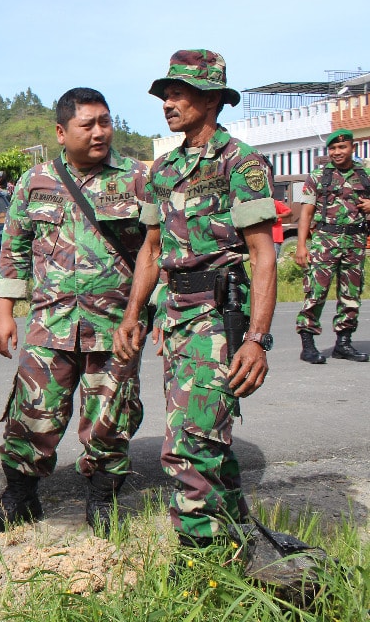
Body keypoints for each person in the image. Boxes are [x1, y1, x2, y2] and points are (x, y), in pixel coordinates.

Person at [113, 50, 277, 549]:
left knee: (189, 442)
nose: (167, 101)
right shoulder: (162, 169)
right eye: (165, 93)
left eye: (178, 92)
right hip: (178, 316)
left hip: (218, 313)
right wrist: (134, 313)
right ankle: (236, 535)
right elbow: (152, 248)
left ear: (210, 99)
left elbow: (262, 255)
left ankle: (197, 554)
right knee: (204, 435)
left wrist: (256, 338)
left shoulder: (240, 162)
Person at [0, 88, 148, 537]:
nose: (99, 132)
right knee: (33, 412)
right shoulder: (34, 182)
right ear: (61, 131)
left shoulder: (136, 179)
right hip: (49, 323)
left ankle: (102, 499)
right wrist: (3, 312)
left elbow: (157, 252)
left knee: (111, 416)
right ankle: (19, 498)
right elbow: (12, 248)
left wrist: (159, 315)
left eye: (105, 122)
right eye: (87, 124)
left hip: (115, 324)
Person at [293, 128, 370, 364]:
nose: (337, 152)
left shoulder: (365, 173)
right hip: (325, 241)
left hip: (355, 243)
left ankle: (343, 344)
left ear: (352, 148)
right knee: (315, 293)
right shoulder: (318, 176)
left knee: (351, 295)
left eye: (342, 147)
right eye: (333, 148)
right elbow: (306, 213)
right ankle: (308, 345)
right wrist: (301, 246)